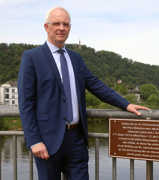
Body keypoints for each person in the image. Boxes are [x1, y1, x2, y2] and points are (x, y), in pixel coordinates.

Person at [18, 6, 150, 180]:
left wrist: (125, 104)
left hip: (76, 140)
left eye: (65, 24)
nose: (61, 28)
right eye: (56, 23)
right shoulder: (32, 57)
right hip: (47, 141)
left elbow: (96, 85)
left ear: (69, 28)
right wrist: (34, 140)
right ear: (46, 27)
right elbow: (26, 103)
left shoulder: (76, 58)